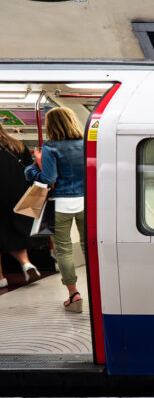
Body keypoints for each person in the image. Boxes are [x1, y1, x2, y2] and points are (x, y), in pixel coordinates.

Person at [24, 108, 85, 312]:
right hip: (86, 203)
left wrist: (31, 170)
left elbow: (49, 178)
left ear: (51, 125)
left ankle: (73, 295)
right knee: (90, 247)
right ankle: (99, 291)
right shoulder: (86, 144)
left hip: (61, 204)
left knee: (64, 250)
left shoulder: (50, 147)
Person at [0, 125, 40, 288]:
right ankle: (25, 263)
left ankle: (1, 277)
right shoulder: (17, 144)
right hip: (18, 195)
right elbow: (29, 169)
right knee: (13, 231)